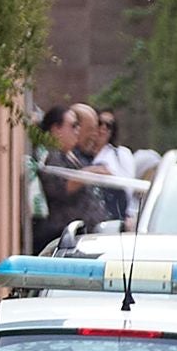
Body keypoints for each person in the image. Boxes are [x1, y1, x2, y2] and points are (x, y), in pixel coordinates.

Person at [34, 105, 107, 252]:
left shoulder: (71, 155)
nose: (77, 130)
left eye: (79, 126)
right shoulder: (50, 155)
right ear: (56, 129)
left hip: (85, 235)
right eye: (73, 126)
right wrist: (88, 174)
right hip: (64, 238)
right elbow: (58, 189)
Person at [92, 108, 137, 223]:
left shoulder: (121, 154)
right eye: (100, 123)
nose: (103, 128)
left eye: (109, 125)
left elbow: (129, 186)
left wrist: (109, 175)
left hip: (116, 214)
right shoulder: (82, 154)